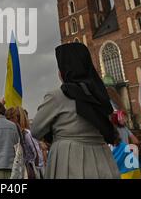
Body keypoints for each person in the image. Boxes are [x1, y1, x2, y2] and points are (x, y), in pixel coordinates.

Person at [31, 43, 120, 179]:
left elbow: (36, 130)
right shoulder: (100, 94)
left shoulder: (57, 96)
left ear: (64, 70)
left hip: (69, 159)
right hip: (102, 158)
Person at [8, 106, 43, 179]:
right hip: (21, 168)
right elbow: (37, 153)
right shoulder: (22, 133)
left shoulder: (26, 134)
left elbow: (36, 152)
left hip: (25, 170)